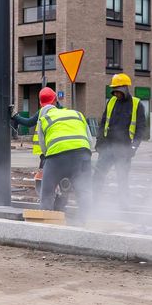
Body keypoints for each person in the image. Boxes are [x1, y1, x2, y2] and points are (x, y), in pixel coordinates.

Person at [35, 87, 93, 215]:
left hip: (57, 158)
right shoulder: (77, 114)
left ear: (40, 104)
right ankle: (88, 222)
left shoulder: (44, 119)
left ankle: (46, 222)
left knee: (47, 193)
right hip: (82, 156)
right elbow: (89, 141)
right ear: (55, 101)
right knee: (84, 192)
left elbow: (44, 148)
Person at [93, 73, 145, 206]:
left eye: (118, 91)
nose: (116, 94)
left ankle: (124, 204)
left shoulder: (136, 104)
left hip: (124, 149)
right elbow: (103, 123)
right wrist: (99, 142)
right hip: (108, 147)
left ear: (125, 88)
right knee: (98, 174)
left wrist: (134, 147)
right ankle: (94, 201)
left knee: (122, 178)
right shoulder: (111, 102)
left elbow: (140, 128)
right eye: (114, 91)